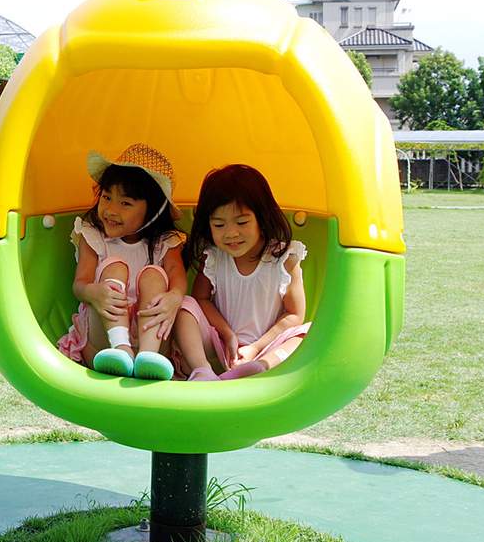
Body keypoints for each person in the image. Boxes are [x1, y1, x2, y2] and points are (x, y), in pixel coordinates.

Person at [54, 143, 187, 381]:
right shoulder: (93, 236)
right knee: (114, 266)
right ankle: (121, 348)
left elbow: (177, 275)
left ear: (153, 211)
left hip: (154, 342)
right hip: (103, 343)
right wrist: (94, 292)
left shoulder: (166, 243)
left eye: (125, 203)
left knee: (154, 275)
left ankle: (147, 356)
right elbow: (79, 285)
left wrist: (175, 297)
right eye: (106, 197)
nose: (111, 210)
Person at [174, 164, 310, 382]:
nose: (231, 233)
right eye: (219, 225)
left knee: (305, 334)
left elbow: (294, 315)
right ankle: (202, 370)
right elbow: (201, 300)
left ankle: (259, 367)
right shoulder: (214, 257)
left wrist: (256, 347)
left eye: (242, 222)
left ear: (262, 218)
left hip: (267, 348)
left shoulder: (285, 257)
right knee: (184, 305)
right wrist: (227, 334)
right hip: (221, 345)